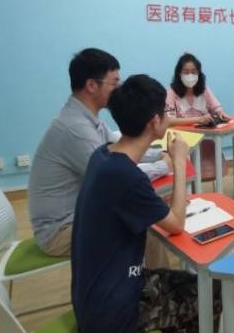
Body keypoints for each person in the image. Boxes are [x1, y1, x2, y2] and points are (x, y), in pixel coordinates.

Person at [71, 74, 221, 333]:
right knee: (210, 291)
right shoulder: (127, 175)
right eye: (165, 113)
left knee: (185, 284)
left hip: (92, 294)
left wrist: (156, 202)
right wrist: (179, 161)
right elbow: (176, 224)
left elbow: (127, 204)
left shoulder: (103, 156)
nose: (169, 117)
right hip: (113, 313)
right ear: (154, 122)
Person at [28, 48, 169, 266]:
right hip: (60, 230)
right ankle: (158, 285)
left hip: (81, 212)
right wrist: (165, 165)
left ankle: (148, 280)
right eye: (115, 83)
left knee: (150, 209)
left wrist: (160, 154)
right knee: (148, 226)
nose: (120, 90)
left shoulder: (87, 118)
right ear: (92, 85)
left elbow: (120, 147)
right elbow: (117, 175)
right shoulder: (75, 129)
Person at [165, 53, 231, 181]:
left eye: (194, 72)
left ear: (199, 73)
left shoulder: (204, 89)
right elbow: (169, 120)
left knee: (213, 171)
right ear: (179, 74)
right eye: (186, 72)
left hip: (204, 139)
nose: (190, 76)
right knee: (186, 176)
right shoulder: (171, 92)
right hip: (181, 141)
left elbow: (216, 107)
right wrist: (198, 119)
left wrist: (221, 113)